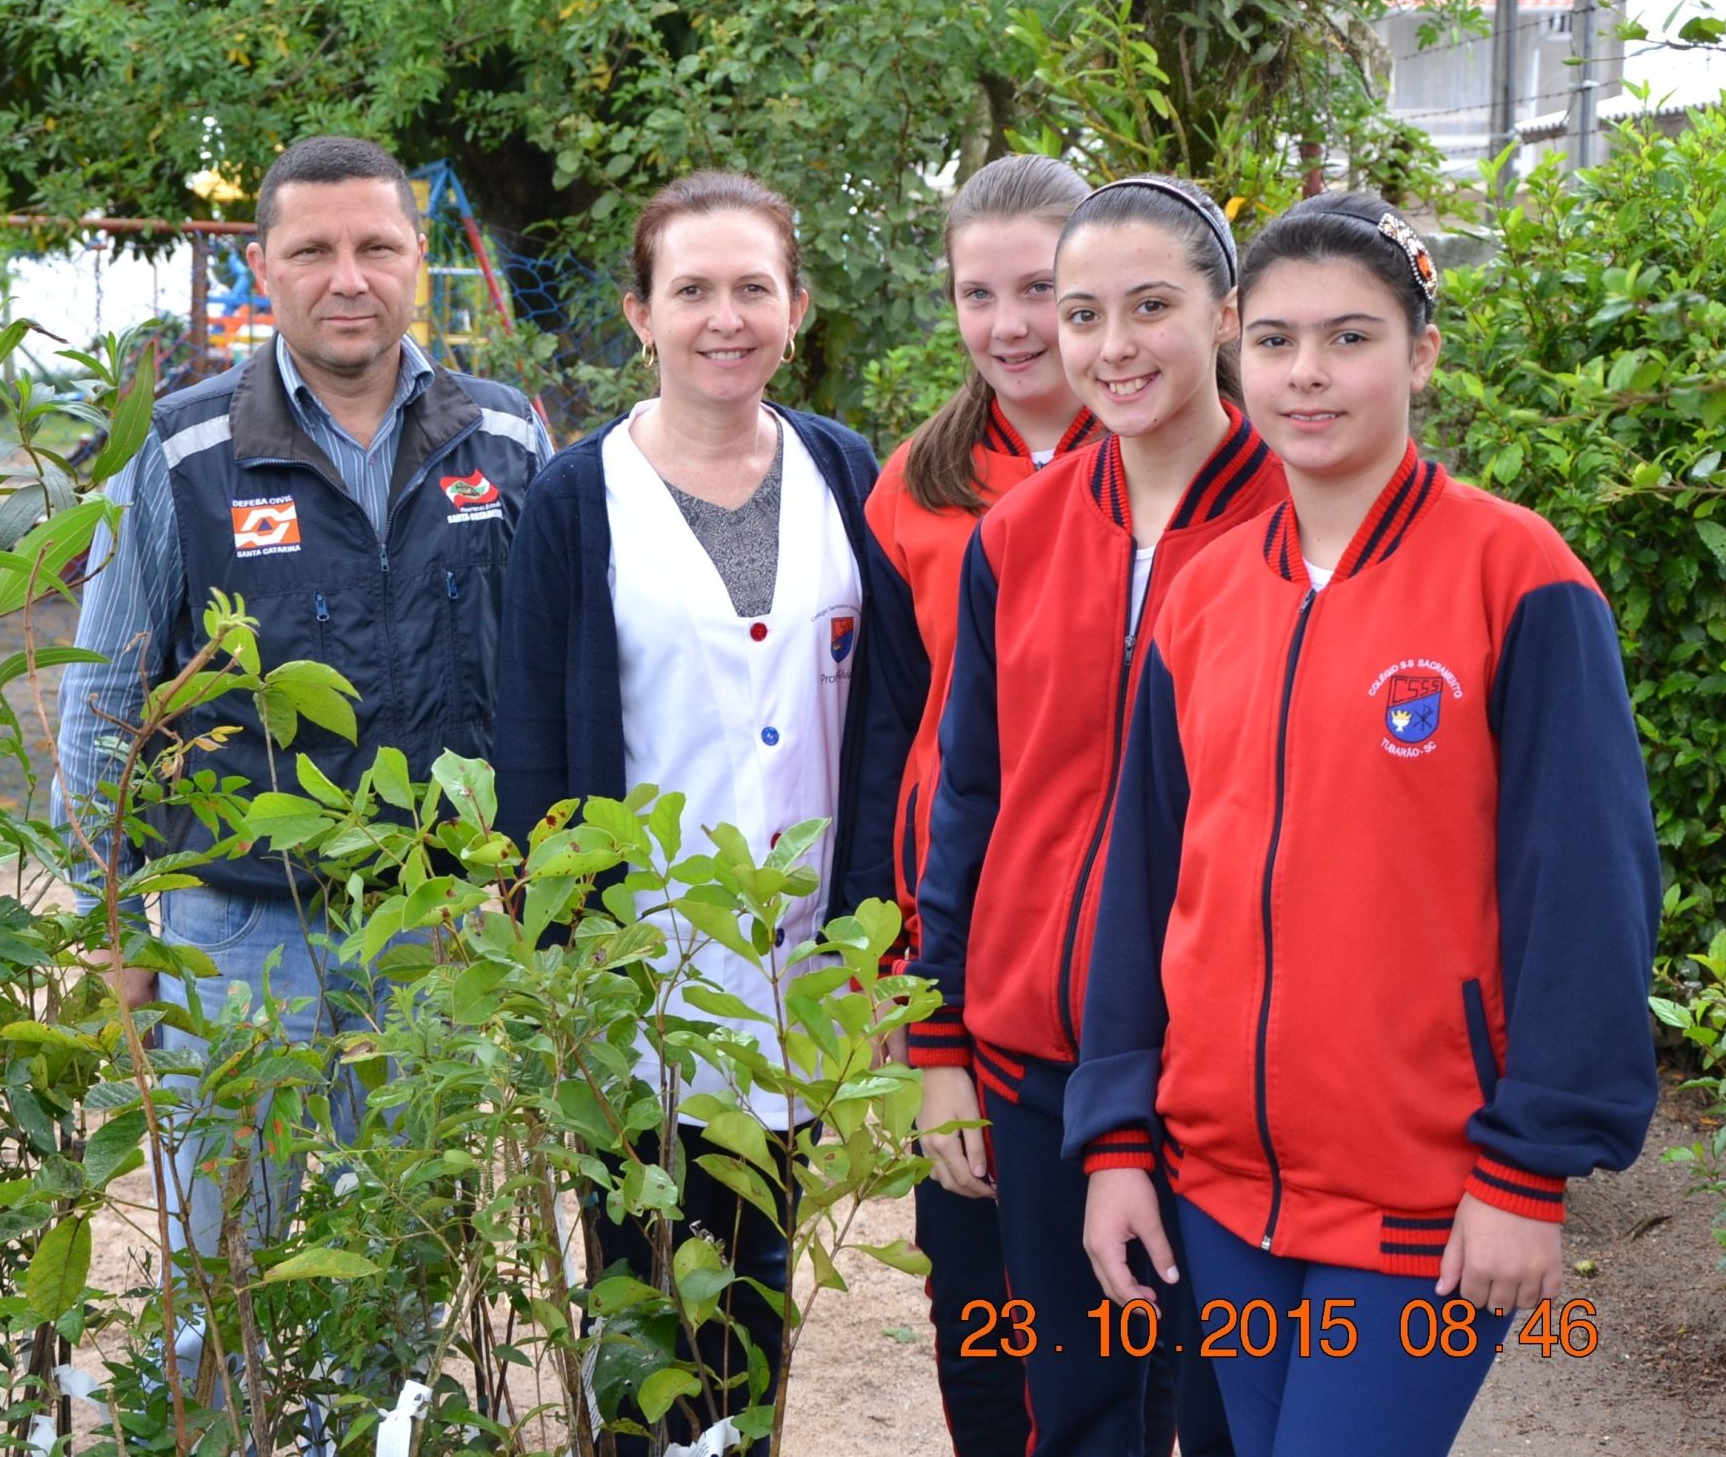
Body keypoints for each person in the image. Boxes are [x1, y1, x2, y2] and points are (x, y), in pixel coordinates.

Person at [1067, 192, 1662, 1457]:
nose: (1308, 375)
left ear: (1421, 352)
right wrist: (1118, 1135)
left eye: (1351, 337)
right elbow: (1142, 883)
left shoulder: (1518, 578)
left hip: (1427, 1203)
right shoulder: (1205, 592)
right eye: (1275, 341)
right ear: (1234, 348)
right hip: (1219, 1191)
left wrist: (1526, 1169)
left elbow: (1590, 897)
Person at [50, 132, 552, 1306]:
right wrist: (109, 929)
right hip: (236, 926)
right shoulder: (180, 451)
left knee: (411, 1251)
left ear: (420, 262)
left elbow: (543, 684)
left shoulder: (508, 439)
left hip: (427, 921)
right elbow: (102, 703)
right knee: (227, 1269)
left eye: (378, 247)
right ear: (262, 267)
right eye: (313, 249)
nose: (349, 276)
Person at [494, 170, 925, 1456]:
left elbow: (894, 721)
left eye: (753, 287)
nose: (723, 317)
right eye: (691, 290)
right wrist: (557, 960)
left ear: (795, 307)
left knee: (754, 1289)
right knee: (642, 1303)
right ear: (640, 313)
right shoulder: (581, 497)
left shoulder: (848, 473)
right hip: (639, 975)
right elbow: (528, 743)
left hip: (798, 964)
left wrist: (876, 941)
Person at [904, 174, 1280, 1457]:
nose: (1111, 348)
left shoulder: (1301, 517)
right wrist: (938, 1038)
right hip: (1034, 1058)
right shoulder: (1018, 530)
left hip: (1227, 1068)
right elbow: (969, 799)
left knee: (1225, 1410)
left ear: (1226, 315)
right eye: (1082, 315)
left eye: (1151, 307)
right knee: (1073, 1409)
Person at [861, 154, 1098, 1457]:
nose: (1011, 324)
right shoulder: (918, 486)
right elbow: (898, 742)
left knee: (1132, 1316)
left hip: (1137, 961)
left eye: (1043, 288)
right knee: (982, 1296)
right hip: (969, 949)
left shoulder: (1204, 474)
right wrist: (909, 985)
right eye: (977, 292)